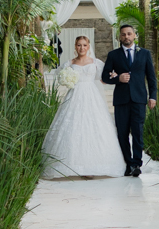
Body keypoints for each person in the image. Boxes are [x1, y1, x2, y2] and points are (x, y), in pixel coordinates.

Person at [40, 35, 124, 178]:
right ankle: (73, 166)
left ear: (88, 46)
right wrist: (67, 80)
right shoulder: (69, 63)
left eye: (84, 45)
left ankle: (94, 166)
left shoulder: (96, 63)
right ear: (75, 46)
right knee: (73, 127)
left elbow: (104, 79)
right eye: (79, 45)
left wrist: (114, 76)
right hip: (74, 96)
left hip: (91, 96)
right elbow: (60, 77)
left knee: (94, 127)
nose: (82, 48)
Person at [100, 23, 157, 176]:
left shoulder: (145, 53)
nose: (126, 36)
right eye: (123, 34)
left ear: (134, 35)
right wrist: (118, 78)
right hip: (121, 100)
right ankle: (127, 163)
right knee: (122, 133)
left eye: (129, 34)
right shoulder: (113, 55)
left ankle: (137, 164)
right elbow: (104, 77)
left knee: (138, 132)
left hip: (139, 99)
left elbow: (151, 77)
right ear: (119, 37)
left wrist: (153, 96)